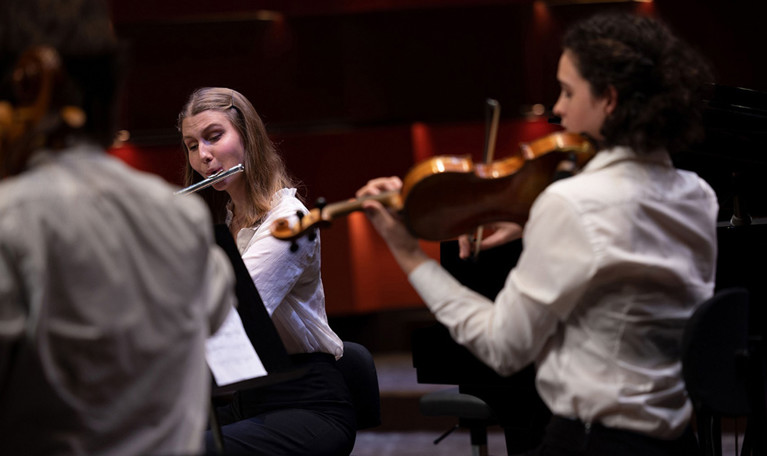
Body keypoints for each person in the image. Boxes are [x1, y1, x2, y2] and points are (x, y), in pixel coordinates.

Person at [357, 12, 716, 456]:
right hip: (677, 442)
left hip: (593, 443)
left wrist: (408, 252)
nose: (558, 108)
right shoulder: (697, 194)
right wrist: (531, 220)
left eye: (567, 91)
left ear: (609, 99)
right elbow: (619, 248)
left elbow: (502, 347)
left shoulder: (573, 203)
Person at [0, 0, 237, 455]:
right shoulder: (184, 221)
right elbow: (214, 307)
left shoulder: (14, 220)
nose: (204, 156)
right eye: (193, 144)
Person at [178, 87, 356, 456]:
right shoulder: (224, 223)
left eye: (214, 137)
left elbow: (227, 313)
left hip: (308, 405)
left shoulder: (287, 221)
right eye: (192, 145)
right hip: (248, 400)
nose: (203, 156)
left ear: (248, 137)